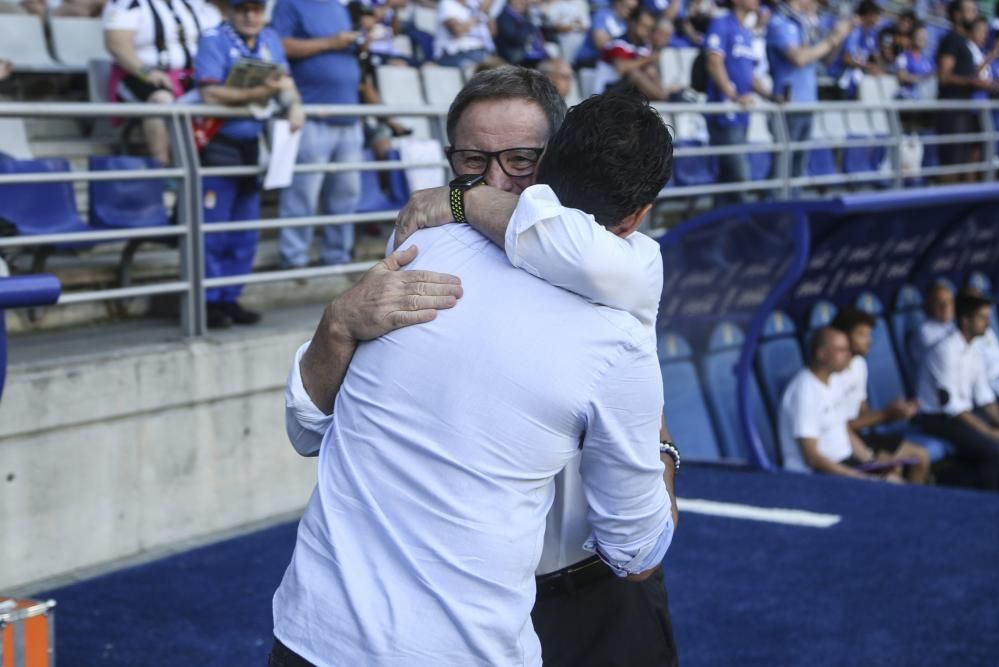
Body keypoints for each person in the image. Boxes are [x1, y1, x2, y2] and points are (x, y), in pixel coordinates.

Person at [283, 66, 681, 667]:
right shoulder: (423, 249)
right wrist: (335, 328)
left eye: (522, 161)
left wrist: (460, 198)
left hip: (587, 594)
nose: (496, 180)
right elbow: (308, 431)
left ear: (558, 161)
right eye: (473, 162)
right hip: (470, 625)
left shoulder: (617, 277)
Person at [194, 0, 304, 328]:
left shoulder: (270, 38)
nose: (251, 16)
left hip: (254, 146)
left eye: (257, 8)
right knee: (214, 230)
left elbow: (285, 84)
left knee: (244, 231)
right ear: (230, 10)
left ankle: (230, 296)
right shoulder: (213, 38)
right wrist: (260, 91)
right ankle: (208, 302)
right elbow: (210, 94)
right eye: (243, 9)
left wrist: (295, 105)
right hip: (218, 144)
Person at [270, 0, 365, 271]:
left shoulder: (338, 6)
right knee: (302, 195)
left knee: (346, 195)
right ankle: (293, 260)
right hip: (310, 116)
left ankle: (337, 257)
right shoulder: (289, 4)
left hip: (348, 116)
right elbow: (279, 47)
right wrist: (331, 42)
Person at [779, 327, 906, 480]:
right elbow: (812, 458)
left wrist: (871, 460)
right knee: (893, 484)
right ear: (822, 354)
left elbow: (844, 429)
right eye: (841, 350)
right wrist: (861, 478)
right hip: (815, 476)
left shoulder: (834, 380)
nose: (848, 354)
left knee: (894, 470)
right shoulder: (804, 391)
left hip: (843, 465)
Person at [102, 0, 220, 165]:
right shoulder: (128, 3)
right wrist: (146, 73)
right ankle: (163, 166)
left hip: (191, 75)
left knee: (216, 93)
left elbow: (217, 37)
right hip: (140, 74)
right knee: (161, 99)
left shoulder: (194, 4)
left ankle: (210, 166)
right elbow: (116, 44)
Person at [830, 307, 930, 484]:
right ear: (843, 336)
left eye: (869, 335)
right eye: (861, 335)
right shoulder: (830, 375)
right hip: (842, 443)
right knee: (893, 470)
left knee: (921, 456)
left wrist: (894, 413)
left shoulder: (859, 364)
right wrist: (885, 415)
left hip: (860, 437)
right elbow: (842, 427)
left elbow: (861, 410)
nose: (868, 341)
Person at [916, 291, 999, 491]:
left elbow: (984, 396)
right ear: (965, 321)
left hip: (964, 414)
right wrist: (990, 432)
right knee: (995, 449)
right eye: (982, 318)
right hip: (936, 419)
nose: (987, 323)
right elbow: (952, 407)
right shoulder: (945, 350)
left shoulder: (974, 347)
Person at [766, 0, 850, 189]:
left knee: (797, 171)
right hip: (788, 105)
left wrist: (838, 38)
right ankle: (772, 214)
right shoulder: (780, 22)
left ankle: (790, 214)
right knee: (782, 170)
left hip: (807, 103)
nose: (818, 5)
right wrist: (831, 39)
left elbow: (825, 59)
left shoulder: (804, 25)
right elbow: (800, 58)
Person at [703, 0, 773, 204]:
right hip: (725, 112)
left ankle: (720, 229)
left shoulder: (745, 31)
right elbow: (714, 62)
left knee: (727, 179)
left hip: (741, 114)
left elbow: (749, 74)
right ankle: (744, 227)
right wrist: (733, 95)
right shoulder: (721, 23)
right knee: (739, 177)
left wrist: (770, 95)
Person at [935, 0, 992, 181]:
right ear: (957, 15)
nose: (974, 14)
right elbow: (944, 76)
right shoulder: (952, 39)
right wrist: (973, 82)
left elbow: (969, 73)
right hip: (952, 112)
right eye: (970, 10)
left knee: (963, 163)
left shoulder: (964, 42)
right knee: (951, 165)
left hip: (964, 110)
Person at [592, 6, 682, 100]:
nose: (646, 30)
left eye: (649, 27)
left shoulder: (644, 47)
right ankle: (665, 97)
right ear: (632, 23)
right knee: (635, 74)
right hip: (606, 95)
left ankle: (663, 96)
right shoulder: (617, 43)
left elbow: (650, 71)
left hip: (627, 96)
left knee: (649, 70)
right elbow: (622, 68)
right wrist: (649, 59)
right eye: (643, 26)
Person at [828, 0, 883, 99]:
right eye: (876, 15)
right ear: (869, 15)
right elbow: (847, 58)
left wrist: (877, 67)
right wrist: (868, 67)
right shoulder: (854, 31)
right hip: (841, 77)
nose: (879, 18)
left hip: (858, 79)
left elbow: (876, 56)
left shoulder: (872, 33)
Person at [434, 0, 497, 67]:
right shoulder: (447, 3)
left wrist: (486, 11)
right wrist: (478, 14)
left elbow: (493, 32)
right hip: (453, 53)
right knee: (487, 68)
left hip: (481, 51)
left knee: (499, 67)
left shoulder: (473, 6)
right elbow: (457, 30)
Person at [575, 0, 635, 68]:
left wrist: (610, 39)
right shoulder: (602, 15)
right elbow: (600, 44)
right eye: (627, 7)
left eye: (632, 9)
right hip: (587, 61)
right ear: (618, 2)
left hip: (607, 64)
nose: (629, 12)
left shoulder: (625, 25)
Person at [496, 0, 548, 66]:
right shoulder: (504, 17)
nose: (523, 2)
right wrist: (528, 23)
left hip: (529, 52)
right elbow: (516, 39)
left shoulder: (525, 16)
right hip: (512, 54)